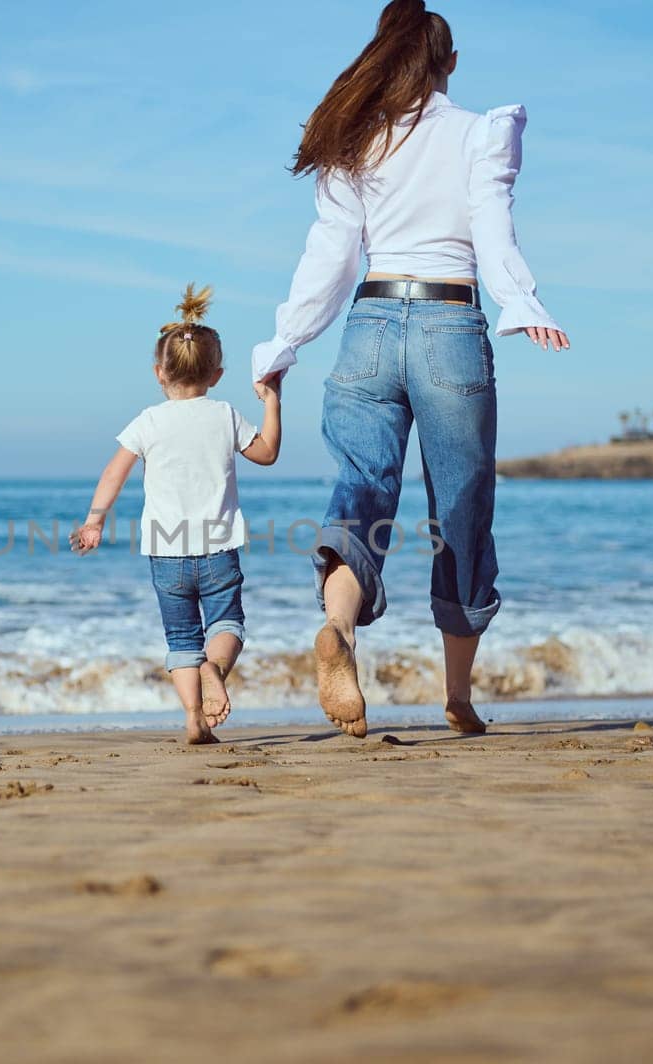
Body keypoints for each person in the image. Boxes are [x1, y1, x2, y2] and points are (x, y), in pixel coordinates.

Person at [252, 0, 570, 738]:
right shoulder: (478, 134)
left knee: (361, 489)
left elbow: (329, 258)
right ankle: (457, 698)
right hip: (449, 323)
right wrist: (522, 302)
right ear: (448, 63)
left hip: (367, 322)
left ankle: (341, 628)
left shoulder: (355, 138)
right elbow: (492, 229)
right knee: (460, 511)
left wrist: (283, 343)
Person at [73, 285, 283, 745]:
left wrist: (94, 521)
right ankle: (217, 668)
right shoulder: (225, 414)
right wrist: (272, 402)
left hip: (166, 553)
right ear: (217, 374)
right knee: (227, 624)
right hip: (219, 548)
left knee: (181, 638)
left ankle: (194, 719)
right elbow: (266, 453)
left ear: (158, 372)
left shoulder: (148, 421)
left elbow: (114, 474)